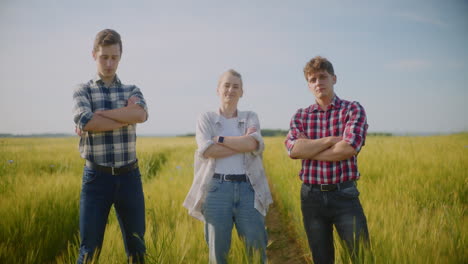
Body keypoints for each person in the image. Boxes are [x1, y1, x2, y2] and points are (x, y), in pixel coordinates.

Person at [72, 29, 148, 264]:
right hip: (96, 178)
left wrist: (102, 115)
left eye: (114, 57)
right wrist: (124, 116)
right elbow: (86, 120)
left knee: (137, 249)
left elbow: (141, 114)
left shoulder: (132, 90)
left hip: (129, 178)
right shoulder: (82, 90)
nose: (109, 63)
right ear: (94, 55)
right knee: (89, 250)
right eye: (104, 57)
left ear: (120, 56)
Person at [285, 56, 369, 264]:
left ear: (334, 78)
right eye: (312, 79)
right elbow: (294, 150)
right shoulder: (301, 116)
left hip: (344, 196)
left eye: (323, 77)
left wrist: (310, 149)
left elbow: (348, 148)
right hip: (311, 198)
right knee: (321, 260)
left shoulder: (352, 109)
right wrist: (331, 140)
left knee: (361, 257)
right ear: (308, 85)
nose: (318, 83)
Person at [184, 69, 273, 264]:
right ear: (218, 89)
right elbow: (207, 150)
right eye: (226, 85)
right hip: (216, 190)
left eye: (236, 86)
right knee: (218, 255)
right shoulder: (206, 118)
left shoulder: (250, 116)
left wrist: (221, 140)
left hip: (249, 189)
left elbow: (253, 145)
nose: (230, 90)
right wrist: (242, 144)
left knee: (256, 251)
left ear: (242, 92)